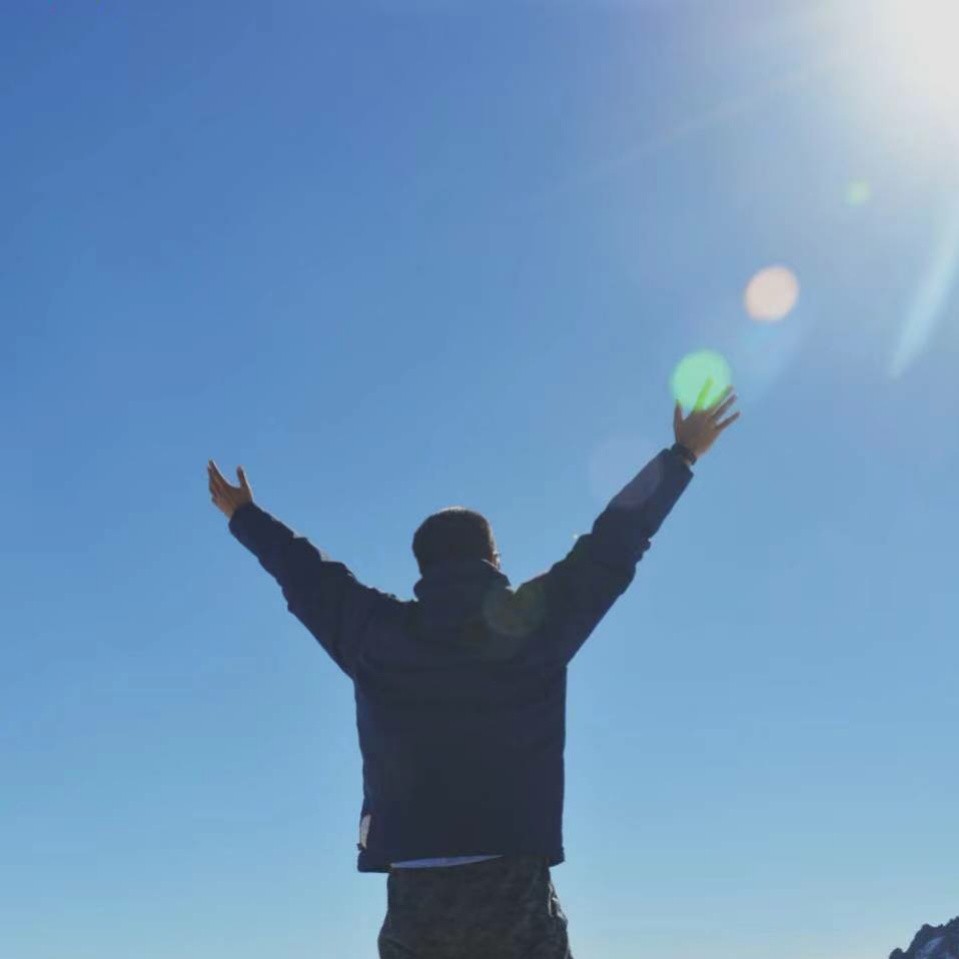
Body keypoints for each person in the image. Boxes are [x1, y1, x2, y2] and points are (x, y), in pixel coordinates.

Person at [207, 381, 740, 959]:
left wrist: (244, 515)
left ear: (422, 568)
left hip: (415, 893)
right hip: (511, 883)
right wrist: (680, 456)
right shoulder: (532, 624)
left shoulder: (375, 634)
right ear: (493, 560)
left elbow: (304, 573)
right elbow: (612, 545)